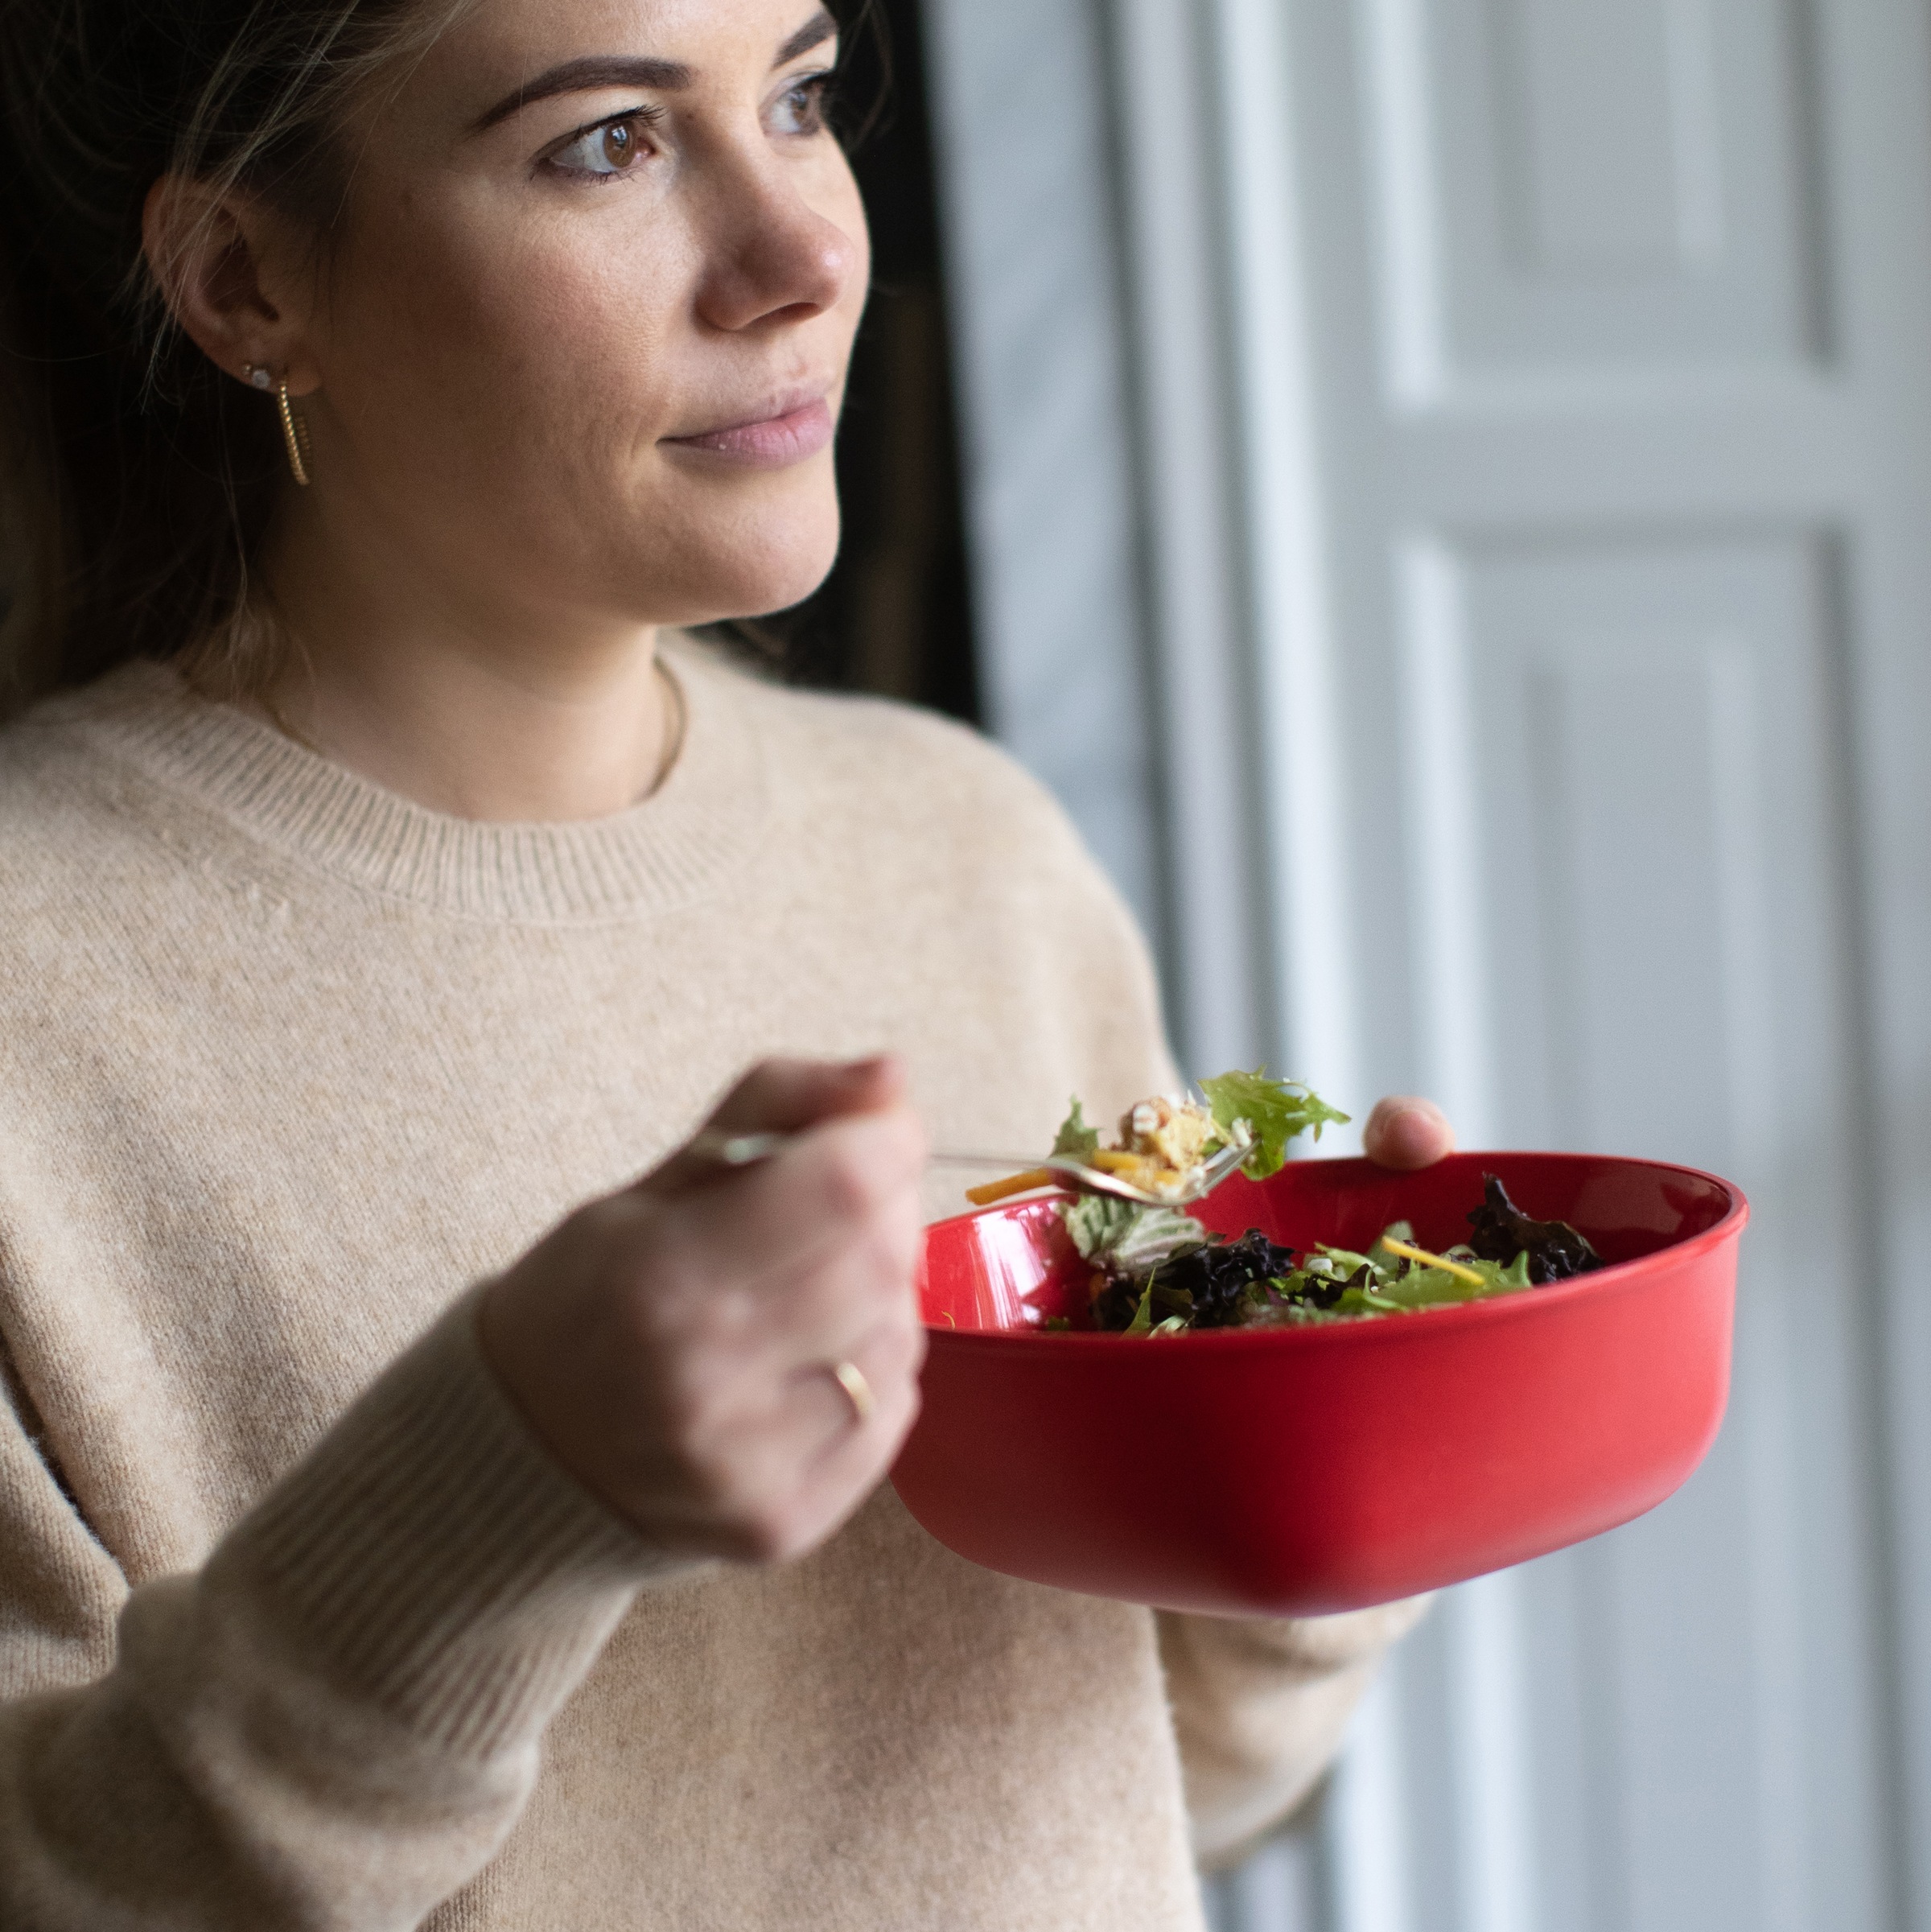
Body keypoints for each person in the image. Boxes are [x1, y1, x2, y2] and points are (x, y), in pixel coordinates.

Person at [0, 0, 1447, 1924]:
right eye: (608, 142)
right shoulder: (44, 986)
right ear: (249, 279)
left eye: (801, 97)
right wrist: (505, 1481)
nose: (807, 254)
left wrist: (1320, 1489)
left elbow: (1152, 1789)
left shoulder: (975, 851)